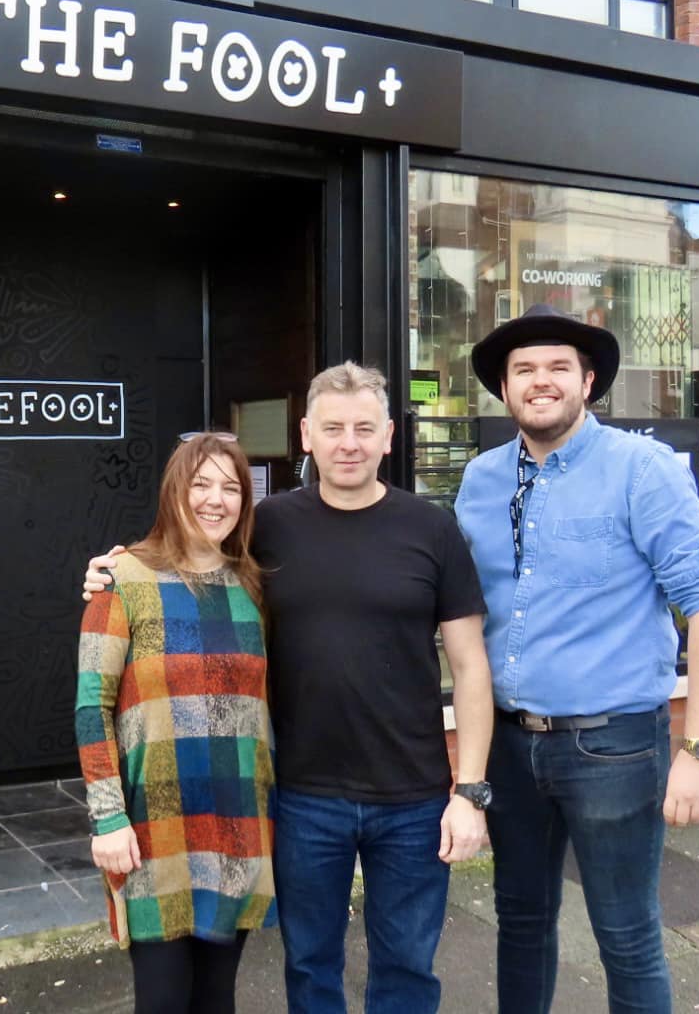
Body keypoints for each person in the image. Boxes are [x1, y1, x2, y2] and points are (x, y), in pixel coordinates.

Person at [88, 364, 495, 1014]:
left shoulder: (432, 528)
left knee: (408, 972)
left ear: (389, 435)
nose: (349, 443)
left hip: (414, 796)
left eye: (365, 428)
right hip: (303, 798)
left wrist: (469, 791)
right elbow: (191, 553)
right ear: (307, 434)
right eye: (333, 428)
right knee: (310, 970)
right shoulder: (267, 526)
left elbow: (472, 667)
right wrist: (115, 569)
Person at [454, 303, 699, 1013]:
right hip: (511, 747)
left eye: (557, 368)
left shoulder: (642, 469)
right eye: (524, 370)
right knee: (519, 923)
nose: (539, 381)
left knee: (627, 936)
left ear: (587, 381)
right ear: (505, 389)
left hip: (612, 745)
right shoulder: (481, 481)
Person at [76, 432, 276, 1014]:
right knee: (161, 1001)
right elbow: (92, 706)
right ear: (174, 493)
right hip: (153, 825)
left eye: (231, 487)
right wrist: (107, 817)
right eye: (201, 484)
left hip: (238, 820)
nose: (216, 499)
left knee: (217, 999)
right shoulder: (123, 580)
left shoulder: (251, 585)